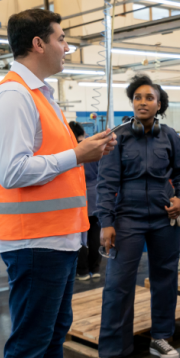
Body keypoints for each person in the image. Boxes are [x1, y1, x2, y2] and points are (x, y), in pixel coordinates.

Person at [0, 8, 117, 358]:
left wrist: (82, 150)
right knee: (27, 346)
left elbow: (48, 163)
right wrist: (78, 154)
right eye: (61, 39)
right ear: (38, 43)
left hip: (58, 237)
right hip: (33, 241)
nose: (66, 47)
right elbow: (14, 171)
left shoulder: (42, 96)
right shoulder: (12, 97)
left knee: (52, 333)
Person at [88, 76, 180, 358]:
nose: (142, 102)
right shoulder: (118, 137)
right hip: (127, 219)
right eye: (137, 97)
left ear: (159, 105)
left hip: (164, 217)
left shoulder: (170, 136)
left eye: (149, 97)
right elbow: (106, 183)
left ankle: (161, 337)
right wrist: (107, 222)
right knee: (118, 283)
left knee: (165, 278)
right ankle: (110, 353)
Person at [69, 121, 102, 282]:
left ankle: (82, 271)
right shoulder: (94, 147)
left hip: (78, 195)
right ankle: (95, 269)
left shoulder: (71, 150)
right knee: (95, 233)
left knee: (79, 235)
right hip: (95, 195)